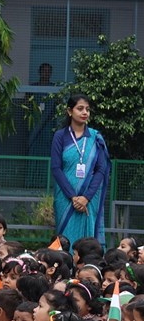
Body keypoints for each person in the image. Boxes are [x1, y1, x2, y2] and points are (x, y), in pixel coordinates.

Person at [50, 94, 111, 245]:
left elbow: (101, 169)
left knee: (88, 243)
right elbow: (56, 168)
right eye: (80, 108)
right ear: (69, 111)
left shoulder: (95, 137)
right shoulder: (60, 136)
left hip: (89, 199)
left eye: (87, 109)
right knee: (65, 239)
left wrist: (86, 197)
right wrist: (73, 197)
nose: (85, 112)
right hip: (66, 198)